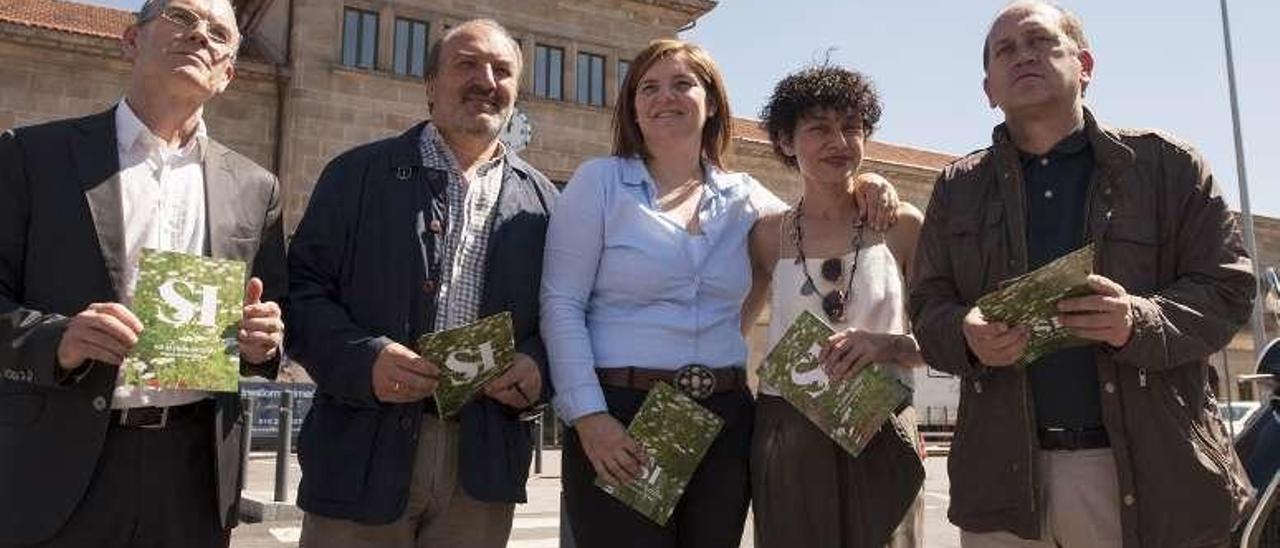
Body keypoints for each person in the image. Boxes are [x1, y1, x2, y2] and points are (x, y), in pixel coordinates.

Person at [909, 2, 1255, 547]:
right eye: (1005, 50)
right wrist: (966, 335)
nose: (1022, 55)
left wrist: (1137, 320)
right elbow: (927, 307)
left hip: (1146, 472)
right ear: (988, 89)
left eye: (1039, 42)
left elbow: (1230, 289)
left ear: (1085, 64)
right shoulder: (957, 188)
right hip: (1001, 483)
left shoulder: (1170, 167)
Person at [541, 38, 900, 547]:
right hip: (624, 413)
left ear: (711, 103)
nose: (666, 96)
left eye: (683, 83)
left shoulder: (744, 194)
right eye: (649, 87)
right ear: (633, 109)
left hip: (725, 418)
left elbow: (821, 219)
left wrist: (868, 181)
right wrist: (590, 417)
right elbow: (561, 304)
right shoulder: (599, 183)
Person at [0, 0, 287, 545]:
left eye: (219, 32)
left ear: (227, 73)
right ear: (131, 40)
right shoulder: (33, 157)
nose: (200, 34)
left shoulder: (256, 188)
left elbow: (274, 322)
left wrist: (264, 344)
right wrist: (56, 340)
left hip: (193, 474)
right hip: (59, 462)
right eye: (181, 17)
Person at [285, 18, 556, 548]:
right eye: (467, 64)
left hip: (483, 465)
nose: (485, 79)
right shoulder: (355, 175)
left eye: (502, 70)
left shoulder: (547, 203)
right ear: (430, 84)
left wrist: (538, 366)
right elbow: (301, 294)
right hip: (362, 452)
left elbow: (562, 315)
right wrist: (364, 360)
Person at [744, 64, 926, 548]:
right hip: (788, 431)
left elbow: (946, 339)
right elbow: (732, 329)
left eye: (851, 127)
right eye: (818, 128)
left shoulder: (903, 226)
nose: (838, 141)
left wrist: (884, 345)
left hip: (881, 421)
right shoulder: (766, 236)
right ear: (785, 142)